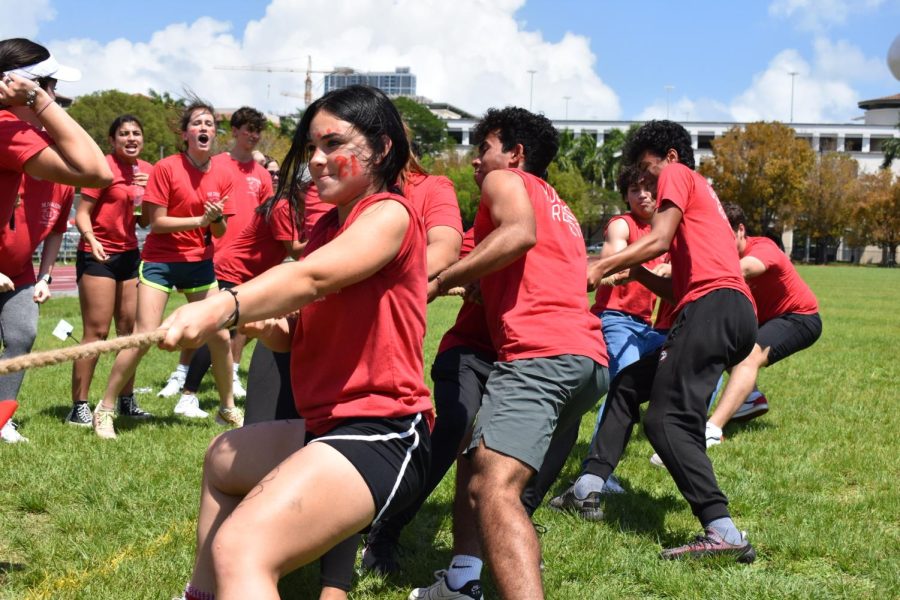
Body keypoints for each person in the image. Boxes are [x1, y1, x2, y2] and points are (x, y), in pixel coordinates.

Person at [159, 84, 433, 600]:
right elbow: (296, 335)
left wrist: (223, 303)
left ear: (382, 149)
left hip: (383, 432)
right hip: (328, 426)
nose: (318, 161)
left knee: (243, 546)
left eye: (334, 144)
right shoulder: (329, 226)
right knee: (222, 457)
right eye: (312, 147)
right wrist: (267, 328)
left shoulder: (389, 214)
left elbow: (311, 279)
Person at [411, 107, 608, 600]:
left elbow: (518, 236)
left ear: (515, 154)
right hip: (588, 360)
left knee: (493, 490)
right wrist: (481, 281)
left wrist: (438, 280)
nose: (477, 162)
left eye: (485, 149)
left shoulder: (504, 183)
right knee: (478, 464)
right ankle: (460, 579)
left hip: (539, 358)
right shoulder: (556, 203)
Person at [578, 120, 757, 562]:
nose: (647, 182)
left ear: (671, 157)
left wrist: (600, 267)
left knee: (665, 422)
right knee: (629, 385)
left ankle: (723, 530)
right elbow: (677, 290)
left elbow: (657, 238)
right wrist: (637, 271)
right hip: (727, 311)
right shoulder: (701, 204)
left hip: (713, 308)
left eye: (647, 168)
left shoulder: (678, 175)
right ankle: (589, 485)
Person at [93, 97, 240, 439]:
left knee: (219, 334)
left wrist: (214, 220)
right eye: (197, 124)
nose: (204, 129)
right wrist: (199, 219)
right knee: (145, 335)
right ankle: (106, 408)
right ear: (185, 133)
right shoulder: (166, 168)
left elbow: (219, 231)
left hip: (200, 263)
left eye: (209, 124)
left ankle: (227, 408)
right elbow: (155, 223)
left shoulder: (224, 172)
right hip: (160, 262)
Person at [0, 37, 111, 438]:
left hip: (19, 271)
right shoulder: (5, 127)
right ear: (19, 86)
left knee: (22, 334)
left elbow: (95, 170)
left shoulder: (12, 129)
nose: (55, 95)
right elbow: (97, 172)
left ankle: (3, 416)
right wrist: (38, 102)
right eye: (48, 85)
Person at [175, 106, 274, 407]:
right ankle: (183, 379)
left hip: (247, 259)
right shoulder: (215, 164)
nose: (253, 136)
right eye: (247, 130)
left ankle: (229, 373)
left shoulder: (261, 175)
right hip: (216, 255)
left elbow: (268, 216)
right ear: (233, 131)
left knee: (235, 321)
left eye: (257, 131)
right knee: (213, 322)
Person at [68, 114, 153, 425]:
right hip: (98, 255)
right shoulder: (102, 167)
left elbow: (144, 221)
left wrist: (149, 194)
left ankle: (126, 401)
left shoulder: (147, 171)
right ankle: (78, 406)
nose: (131, 138)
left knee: (129, 332)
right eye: (124, 134)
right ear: (112, 140)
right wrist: (91, 240)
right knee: (97, 332)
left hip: (130, 255)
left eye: (136, 133)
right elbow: (83, 214)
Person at [708, 203, 821, 429]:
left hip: (799, 317)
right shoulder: (723, 255)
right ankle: (751, 398)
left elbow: (746, 268)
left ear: (740, 229)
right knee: (722, 344)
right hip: (768, 319)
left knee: (750, 356)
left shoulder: (764, 247)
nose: (720, 244)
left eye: (725, 236)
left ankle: (711, 429)